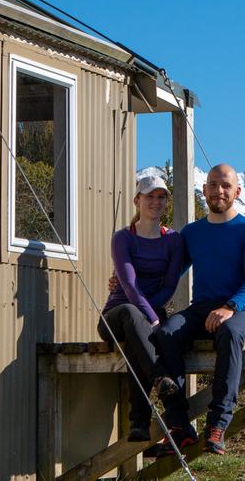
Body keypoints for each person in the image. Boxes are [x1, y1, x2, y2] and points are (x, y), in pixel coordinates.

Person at [156, 163, 245, 455]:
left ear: (237, 192)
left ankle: (217, 424)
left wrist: (230, 307)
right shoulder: (192, 233)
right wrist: (142, 297)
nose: (219, 191)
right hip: (201, 308)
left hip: (241, 312)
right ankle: (179, 427)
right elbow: (171, 275)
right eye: (213, 185)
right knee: (166, 332)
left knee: (229, 332)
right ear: (204, 190)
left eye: (226, 186)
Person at [99, 174, 186, 443]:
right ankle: (160, 379)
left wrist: (152, 315)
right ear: (137, 200)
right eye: (150, 196)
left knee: (140, 341)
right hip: (116, 315)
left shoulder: (173, 240)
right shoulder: (123, 238)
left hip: (152, 314)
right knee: (131, 313)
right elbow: (128, 285)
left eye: (161, 197)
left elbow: (171, 284)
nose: (156, 202)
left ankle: (139, 423)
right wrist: (151, 317)